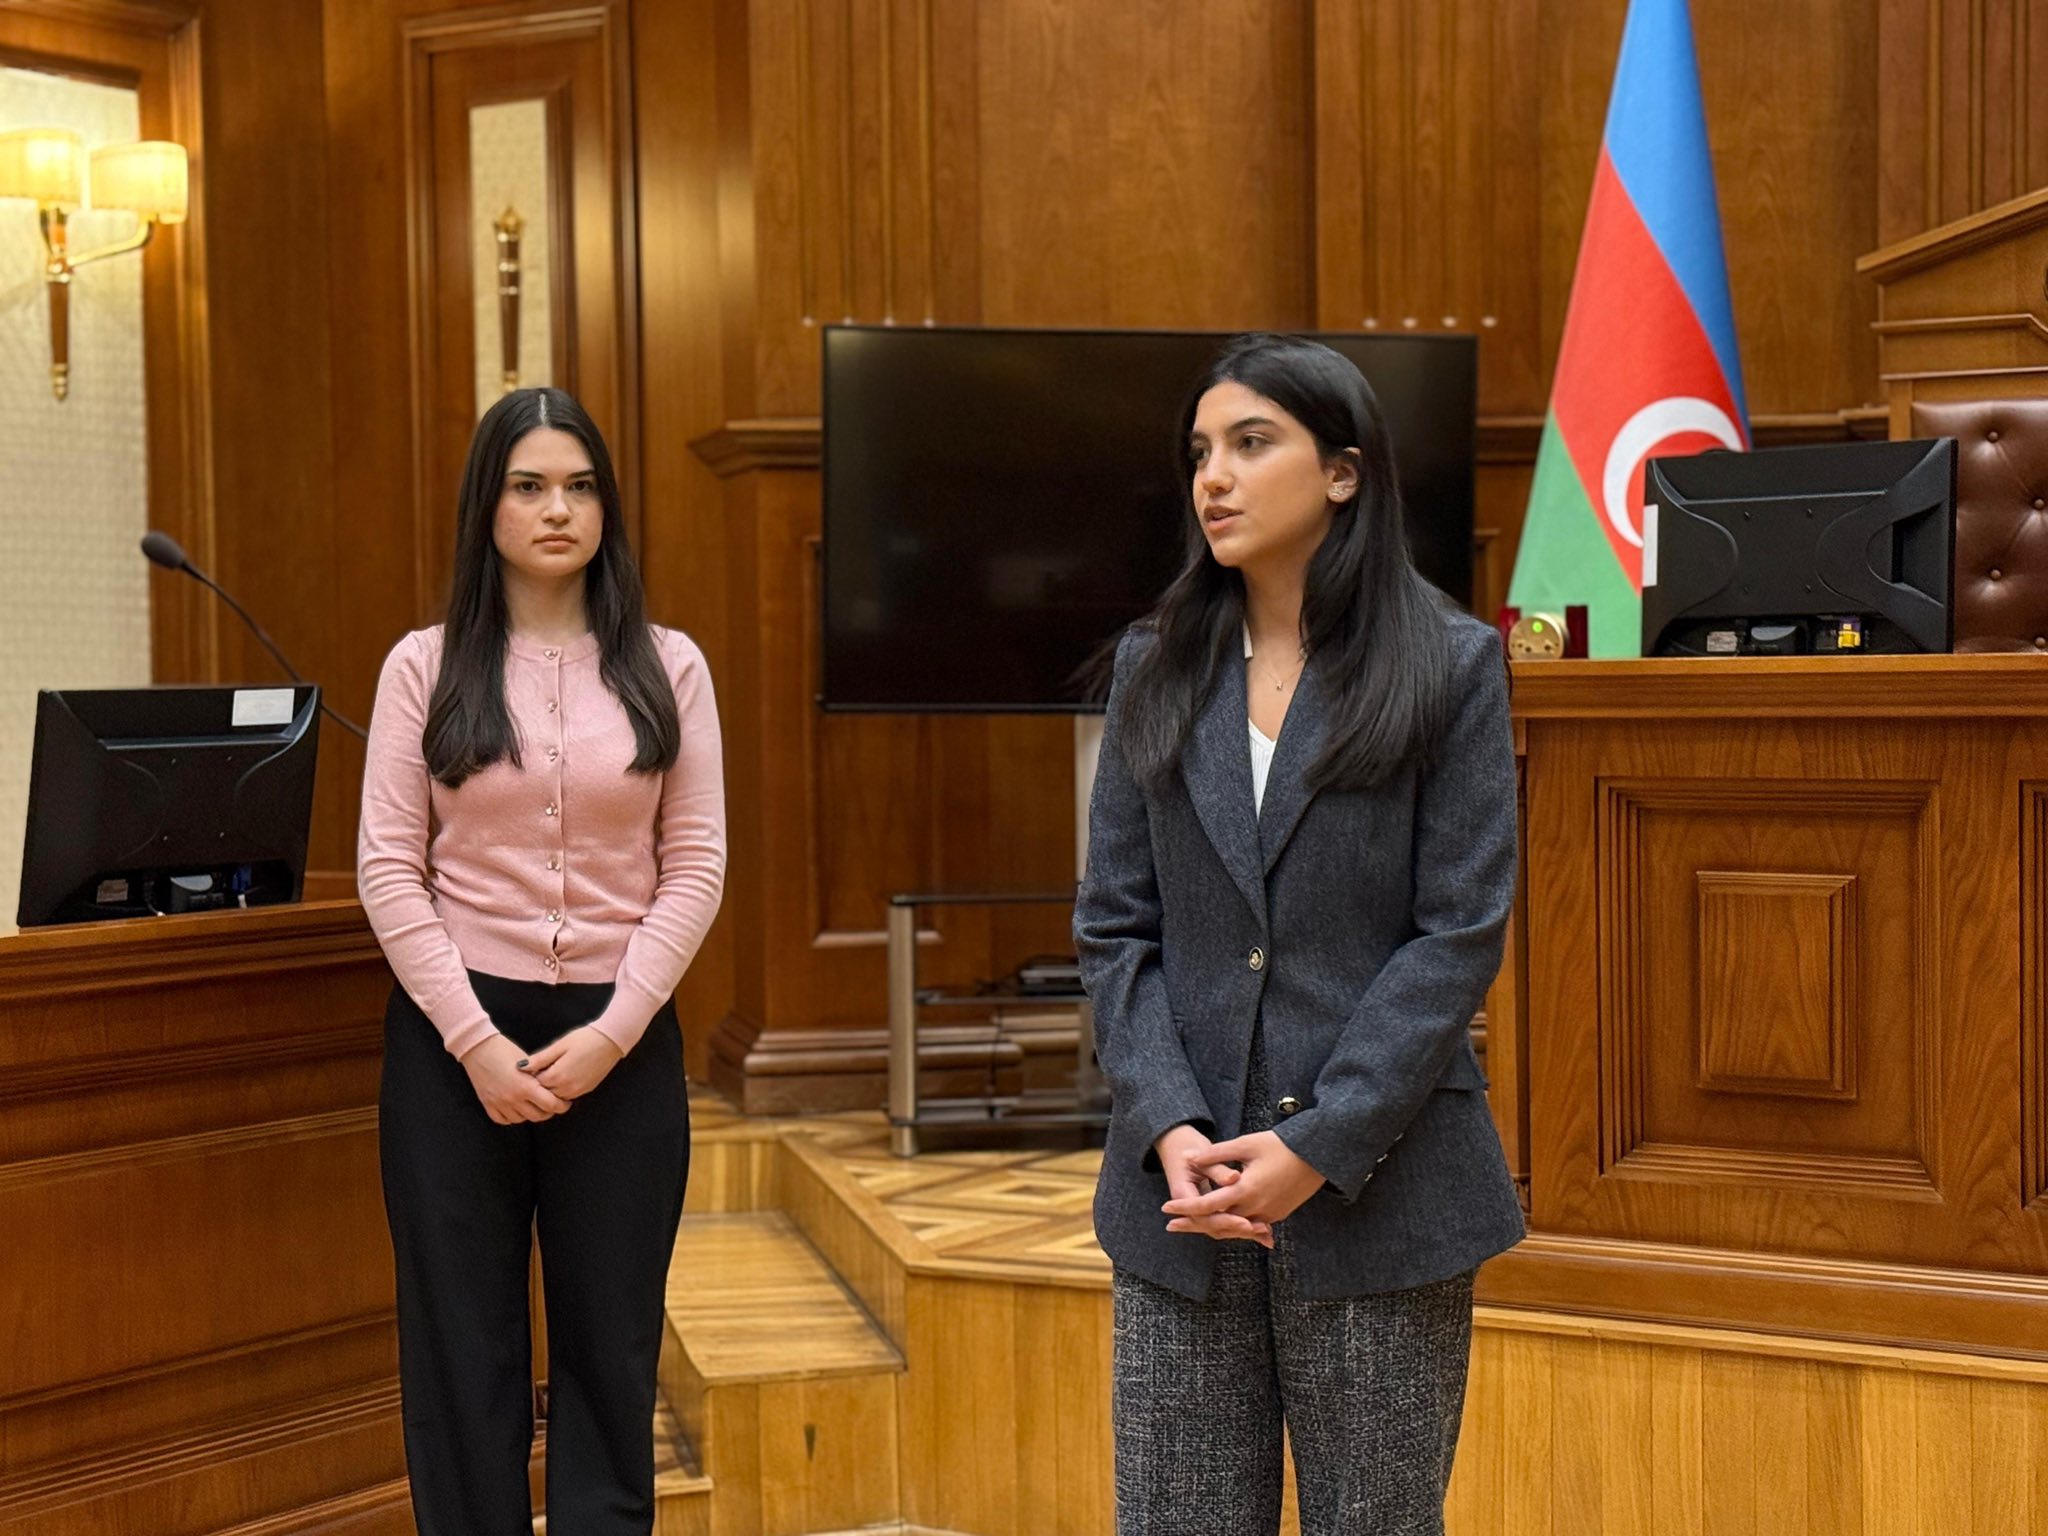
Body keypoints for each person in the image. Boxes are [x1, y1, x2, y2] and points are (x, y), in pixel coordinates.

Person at [1075, 334, 1524, 1535]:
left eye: (1249, 443)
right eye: (1198, 452)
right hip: (1182, 1199)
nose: (1212, 478)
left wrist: (1320, 1143)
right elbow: (1114, 928)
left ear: (1341, 471)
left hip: (1383, 1194)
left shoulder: (1451, 666)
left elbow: (1455, 933)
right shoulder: (1155, 666)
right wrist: (1167, 1122)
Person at [358, 385, 725, 1535]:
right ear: (488, 505)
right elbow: (388, 869)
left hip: (619, 1040)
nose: (557, 509)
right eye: (528, 486)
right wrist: (474, 1043)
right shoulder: (422, 667)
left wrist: (613, 1031)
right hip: (452, 1046)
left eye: (579, 486)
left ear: (607, 508)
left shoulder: (670, 665)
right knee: (462, 1352)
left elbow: (695, 864)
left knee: (610, 1349)